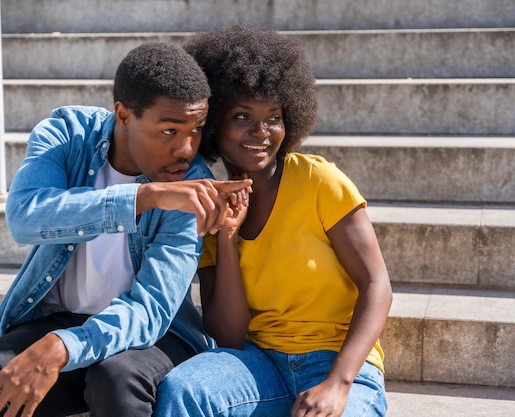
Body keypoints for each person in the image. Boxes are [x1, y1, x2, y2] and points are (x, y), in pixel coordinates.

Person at [0, 42, 252, 417]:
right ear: (123, 114)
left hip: (153, 336)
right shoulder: (68, 134)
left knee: (116, 377)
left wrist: (62, 346)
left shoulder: (193, 186)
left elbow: (151, 309)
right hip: (61, 318)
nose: (186, 148)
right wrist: (143, 197)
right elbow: (25, 216)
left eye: (196, 129)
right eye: (169, 130)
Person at [155, 24, 393, 417]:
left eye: (274, 117)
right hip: (260, 363)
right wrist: (228, 238)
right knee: (183, 389)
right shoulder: (214, 207)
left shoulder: (318, 181)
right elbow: (228, 335)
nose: (261, 132)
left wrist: (338, 383)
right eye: (243, 116)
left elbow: (377, 284)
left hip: (337, 363)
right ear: (214, 123)